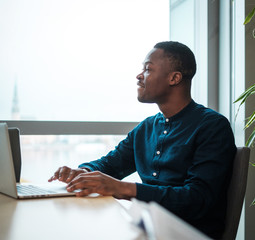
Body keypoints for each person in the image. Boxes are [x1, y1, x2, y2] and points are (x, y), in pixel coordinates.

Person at [49, 41, 236, 239]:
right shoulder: (146, 127)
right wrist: (83, 172)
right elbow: (110, 164)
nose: (139, 76)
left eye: (148, 69)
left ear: (174, 78)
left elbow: (198, 199)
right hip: (146, 229)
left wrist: (122, 188)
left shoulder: (212, 126)